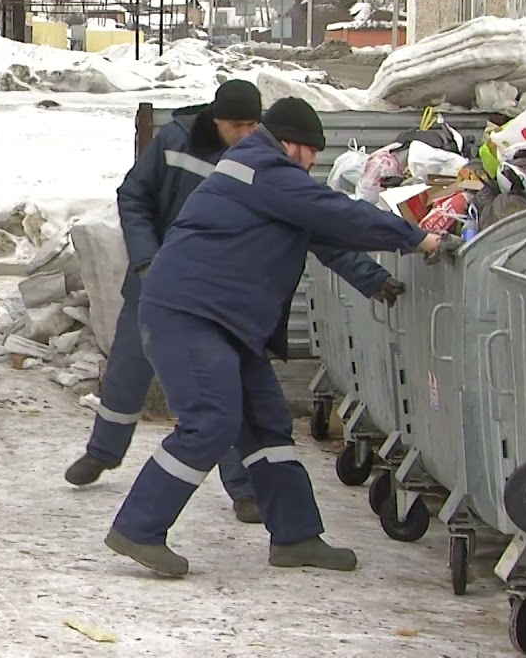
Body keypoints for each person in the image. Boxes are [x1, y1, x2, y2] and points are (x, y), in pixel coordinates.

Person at [104, 97, 453, 577]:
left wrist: (372, 278)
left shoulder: (268, 177)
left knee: (268, 425)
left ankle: (296, 536)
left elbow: (321, 232)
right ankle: (138, 528)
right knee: (211, 420)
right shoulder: (260, 167)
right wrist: (417, 238)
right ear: (291, 143)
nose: (313, 162)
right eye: (311, 151)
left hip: (226, 321)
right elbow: (336, 213)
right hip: (188, 314)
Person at [64, 82, 404, 526]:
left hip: (222, 299)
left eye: (252, 124)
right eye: (236, 125)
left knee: (222, 397)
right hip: (159, 280)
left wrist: (370, 276)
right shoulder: (176, 142)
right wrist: (147, 258)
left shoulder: (268, 167)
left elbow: (316, 228)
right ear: (214, 119)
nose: (244, 133)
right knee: (129, 372)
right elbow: (135, 197)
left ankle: (244, 490)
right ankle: (103, 452)